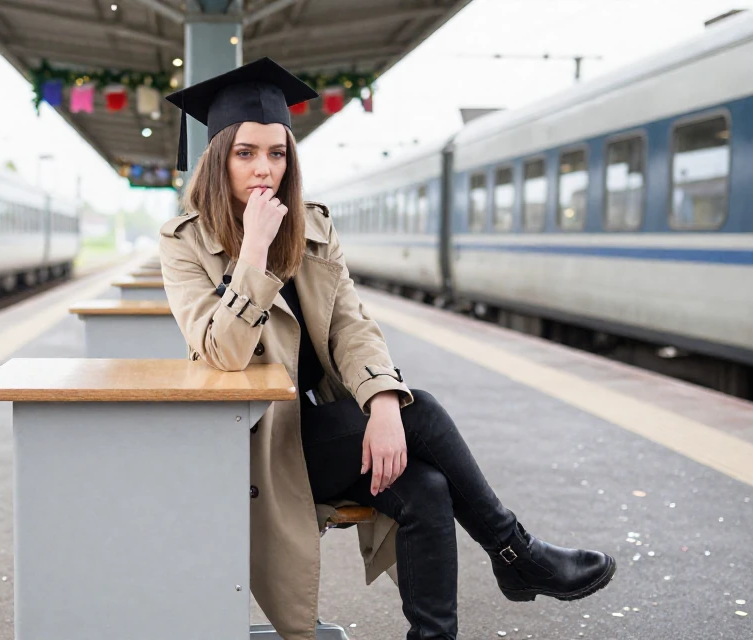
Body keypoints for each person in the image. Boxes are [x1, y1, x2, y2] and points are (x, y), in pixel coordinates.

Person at [158, 57, 615, 640]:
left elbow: (353, 326)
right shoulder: (185, 243)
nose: (263, 169)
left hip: (324, 430)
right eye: (246, 153)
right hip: (257, 445)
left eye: (277, 153)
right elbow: (219, 352)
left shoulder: (314, 228)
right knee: (418, 407)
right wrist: (253, 254)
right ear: (218, 156)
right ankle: (515, 552)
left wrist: (379, 404)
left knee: (426, 487)